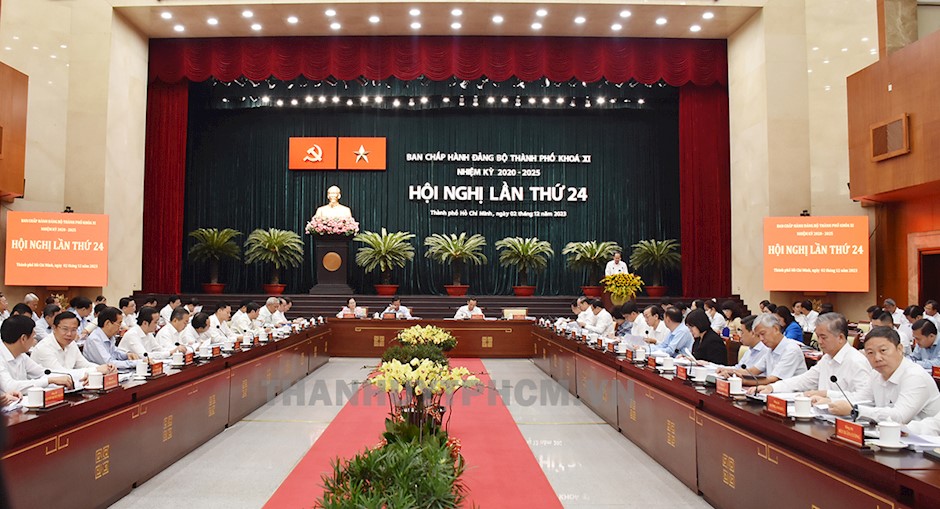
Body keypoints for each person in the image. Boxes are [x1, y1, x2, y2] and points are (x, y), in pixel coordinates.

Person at [815, 326, 940, 424]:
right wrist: (831, 401)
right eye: (870, 353)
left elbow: (900, 417)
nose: (877, 358)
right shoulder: (876, 373)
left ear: (899, 349)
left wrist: (855, 410)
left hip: (923, 444)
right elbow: (862, 398)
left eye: (883, 351)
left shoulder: (915, 376)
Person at [758, 313, 870, 397]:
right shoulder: (826, 359)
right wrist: (772, 387)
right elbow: (804, 380)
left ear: (840, 337)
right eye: (818, 337)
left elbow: (864, 398)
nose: (819, 342)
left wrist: (827, 395)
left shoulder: (856, 361)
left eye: (823, 337)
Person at [0, 315, 73, 391]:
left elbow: (42, 372)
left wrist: (64, 378)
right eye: (33, 337)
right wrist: (48, 381)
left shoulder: (21, 355)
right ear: (23, 338)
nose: (34, 341)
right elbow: (10, 387)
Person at [32, 312, 115, 379]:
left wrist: (106, 368)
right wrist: (97, 370)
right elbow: (60, 374)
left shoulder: (71, 343)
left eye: (74, 330)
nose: (69, 334)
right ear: (54, 328)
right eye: (65, 329)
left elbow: (84, 364)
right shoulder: (44, 348)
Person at [744, 313, 808, 389]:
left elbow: (774, 380)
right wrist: (733, 373)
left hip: (793, 394)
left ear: (776, 329)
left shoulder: (791, 350)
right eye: (758, 336)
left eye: (762, 334)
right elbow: (752, 371)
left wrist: (743, 381)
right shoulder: (770, 349)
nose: (761, 339)